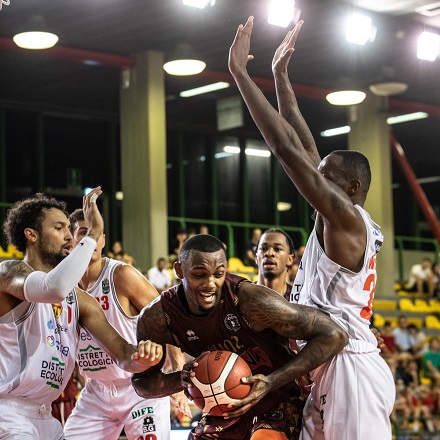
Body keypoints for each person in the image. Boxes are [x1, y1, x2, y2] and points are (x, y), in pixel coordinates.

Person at [228, 17, 395, 439]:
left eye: (326, 178)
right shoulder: (337, 218)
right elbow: (302, 144)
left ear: (352, 189)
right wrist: (280, 76)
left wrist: (240, 73)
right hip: (327, 359)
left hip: (349, 366)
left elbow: (286, 149)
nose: (315, 181)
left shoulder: (348, 220)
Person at [132, 234, 348, 440]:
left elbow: (334, 335)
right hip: (223, 408)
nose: (210, 283)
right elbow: (141, 382)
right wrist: (180, 379)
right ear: (179, 270)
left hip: (278, 397)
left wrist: (271, 381)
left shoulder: (250, 301)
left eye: (218, 274)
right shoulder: (158, 317)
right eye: (199, 275)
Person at [0, 188, 162, 439]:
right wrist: (93, 233)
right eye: (59, 228)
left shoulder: (81, 301)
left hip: (45, 416)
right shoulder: (9, 273)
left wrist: (143, 357)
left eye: (69, 229)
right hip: (7, 412)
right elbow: (53, 288)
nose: (69, 237)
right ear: (31, 235)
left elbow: (122, 354)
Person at [63, 210, 189, 439]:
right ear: (71, 240)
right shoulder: (65, 285)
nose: (91, 239)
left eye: (95, 233)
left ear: (103, 239)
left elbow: (169, 319)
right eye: (83, 233)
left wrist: (175, 375)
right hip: (97, 391)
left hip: (141, 387)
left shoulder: (121, 275)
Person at [254, 228, 295, 300]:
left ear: (290, 259)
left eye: (277, 249)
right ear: (256, 258)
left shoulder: (300, 299)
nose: (269, 253)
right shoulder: (240, 297)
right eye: (263, 249)